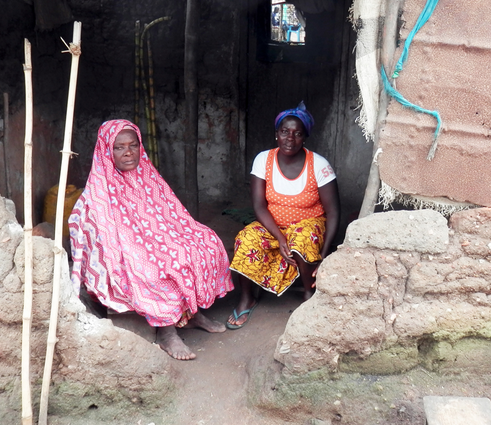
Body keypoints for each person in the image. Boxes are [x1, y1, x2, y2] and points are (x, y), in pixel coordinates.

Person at [69, 120, 233, 360]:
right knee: (159, 267)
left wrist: (177, 238)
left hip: (158, 240)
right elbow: (97, 231)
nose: (128, 152)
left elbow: (173, 214)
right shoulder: (99, 191)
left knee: (206, 243)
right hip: (127, 250)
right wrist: (150, 248)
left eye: (133, 145)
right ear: (106, 150)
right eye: (119, 147)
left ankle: (190, 313)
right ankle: (166, 333)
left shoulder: (146, 175)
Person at [227, 102, 339, 329]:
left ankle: (309, 293)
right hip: (273, 224)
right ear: (276, 135)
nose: (290, 138)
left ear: (305, 137)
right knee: (246, 238)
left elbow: (334, 212)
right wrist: (279, 237)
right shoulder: (263, 160)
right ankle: (247, 297)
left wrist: (325, 257)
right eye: (284, 132)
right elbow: (259, 206)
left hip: (309, 223)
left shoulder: (319, 165)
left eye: (297, 134)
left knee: (302, 241)